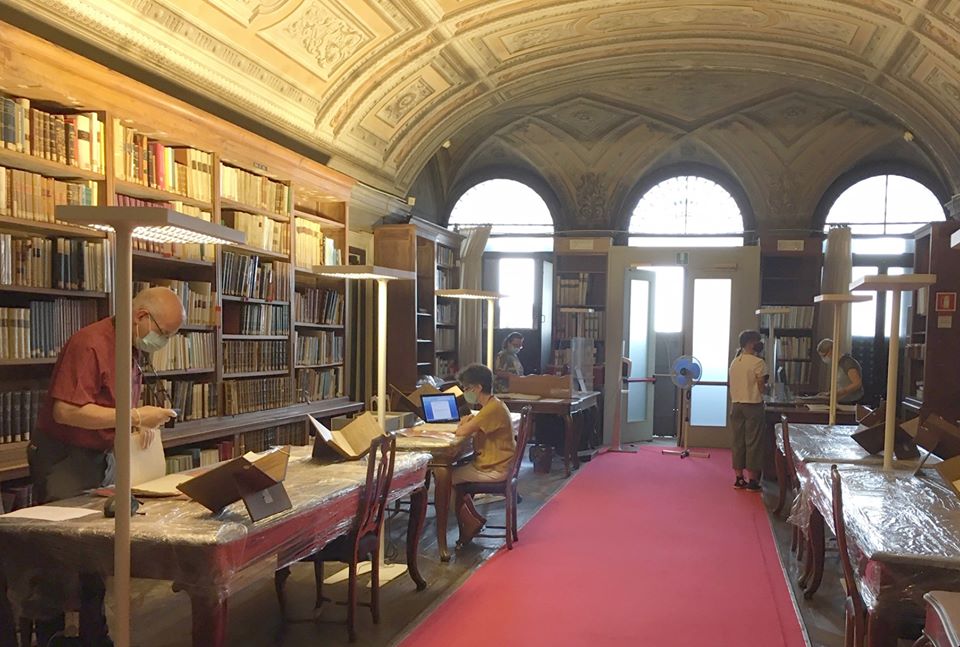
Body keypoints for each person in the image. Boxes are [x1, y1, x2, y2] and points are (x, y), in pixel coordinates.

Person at [20, 287, 183, 647]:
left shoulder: (132, 348)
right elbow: (66, 410)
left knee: (96, 550)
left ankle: (95, 632)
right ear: (141, 318)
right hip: (66, 456)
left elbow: (110, 404)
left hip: (100, 455)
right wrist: (135, 415)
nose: (165, 342)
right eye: (165, 333)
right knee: (60, 552)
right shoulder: (90, 344)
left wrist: (134, 425)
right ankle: (51, 633)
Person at [452, 363, 516, 546]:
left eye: (467, 388)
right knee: (455, 474)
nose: (465, 392)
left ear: (478, 388)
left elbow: (462, 432)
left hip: (495, 467)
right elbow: (476, 424)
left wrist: (463, 423)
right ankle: (472, 518)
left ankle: (470, 522)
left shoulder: (490, 410)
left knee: (446, 478)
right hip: (500, 463)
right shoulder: (494, 405)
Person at [728, 330, 767, 492]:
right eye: (757, 341)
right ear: (751, 343)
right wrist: (765, 388)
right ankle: (752, 480)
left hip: (736, 405)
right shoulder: (758, 362)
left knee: (738, 441)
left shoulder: (735, 361)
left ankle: (738, 478)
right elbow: (760, 386)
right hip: (753, 405)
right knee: (753, 443)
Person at [816, 338, 864, 404]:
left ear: (832, 350)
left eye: (824, 355)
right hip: (841, 401)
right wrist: (828, 394)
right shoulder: (836, 364)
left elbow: (857, 384)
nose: (824, 359)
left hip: (851, 402)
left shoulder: (847, 363)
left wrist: (841, 392)